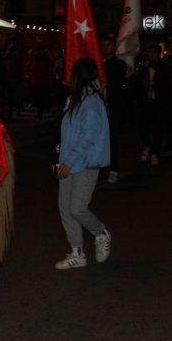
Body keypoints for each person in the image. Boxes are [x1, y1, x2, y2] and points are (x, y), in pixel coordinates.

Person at [53, 58, 112, 269]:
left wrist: (68, 162)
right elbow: (69, 133)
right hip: (69, 162)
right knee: (65, 208)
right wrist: (62, 158)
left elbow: (87, 137)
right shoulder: (76, 99)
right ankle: (77, 252)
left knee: (77, 208)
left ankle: (101, 233)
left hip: (85, 164)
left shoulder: (91, 102)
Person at [137, 43, 170, 166]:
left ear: (158, 53)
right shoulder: (144, 67)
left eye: (153, 52)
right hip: (146, 102)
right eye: (149, 52)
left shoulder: (164, 67)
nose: (151, 54)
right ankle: (147, 145)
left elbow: (167, 85)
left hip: (159, 102)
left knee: (158, 129)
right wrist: (142, 83)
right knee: (142, 127)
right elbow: (137, 83)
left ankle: (155, 152)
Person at [100, 35, 127, 182]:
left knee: (112, 138)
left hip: (112, 107)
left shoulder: (119, 65)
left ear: (114, 47)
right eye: (103, 45)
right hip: (97, 107)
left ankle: (114, 169)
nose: (105, 48)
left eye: (108, 45)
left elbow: (115, 82)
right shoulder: (96, 64)